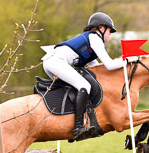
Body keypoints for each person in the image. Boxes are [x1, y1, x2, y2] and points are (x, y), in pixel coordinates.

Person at [42, 12, 125, 141]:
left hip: (50, 62)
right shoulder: (95, 38)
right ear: (101, 28)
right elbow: (109, 65)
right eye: (109, 31)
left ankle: (67, 122)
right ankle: (78, 128)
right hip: (56, 62)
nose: (109, 35)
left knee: (77, 88)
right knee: (84, 85)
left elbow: (97, 68)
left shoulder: (90, 42)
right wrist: (127, 60)